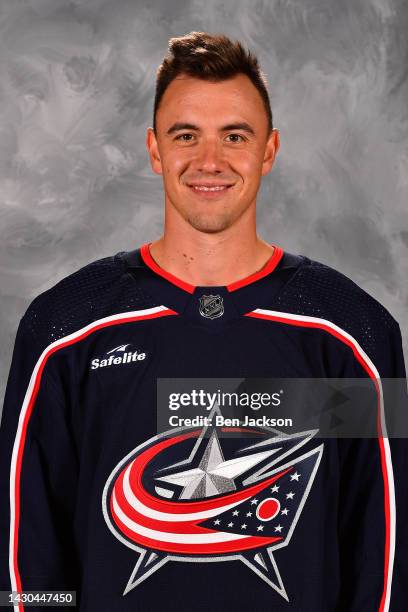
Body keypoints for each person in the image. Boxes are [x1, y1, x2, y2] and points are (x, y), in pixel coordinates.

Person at [0, 31, 406, 612]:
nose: (209, 161)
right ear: (154, 149)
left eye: (234, 136)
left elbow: (386, 557)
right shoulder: (67, 330)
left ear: (268, 150)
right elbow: (26, 557)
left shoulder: (349, 335)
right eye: (186, 135)